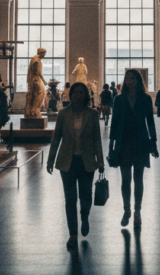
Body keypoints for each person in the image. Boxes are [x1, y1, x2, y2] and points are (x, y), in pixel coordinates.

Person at [47, 83, 105, 248]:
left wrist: (100, 162)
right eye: (76, 92)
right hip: (68, 161)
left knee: (86, 196)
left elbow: (97, 140)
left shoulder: (92, 114)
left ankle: (85, 216)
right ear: (70, 95)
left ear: (85, 95)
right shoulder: (63, 114)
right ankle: (73, 233)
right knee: (70, 199)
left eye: (81, 93)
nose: (78, 95)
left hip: (86, 161)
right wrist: (51, 160)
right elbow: (56, 138)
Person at [108, 69, 158, 228]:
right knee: (125, 179)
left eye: (133, 78)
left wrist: (153, 142)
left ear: (138, 80)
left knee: (138, 178)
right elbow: (114, 123)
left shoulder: (145, 99)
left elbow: (150, 121)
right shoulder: (119, 99)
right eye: (128, 78)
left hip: (140, 142)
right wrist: (111, 146)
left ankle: (137, 210)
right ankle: (126, 209)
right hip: (124, 142)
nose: (130, 81)